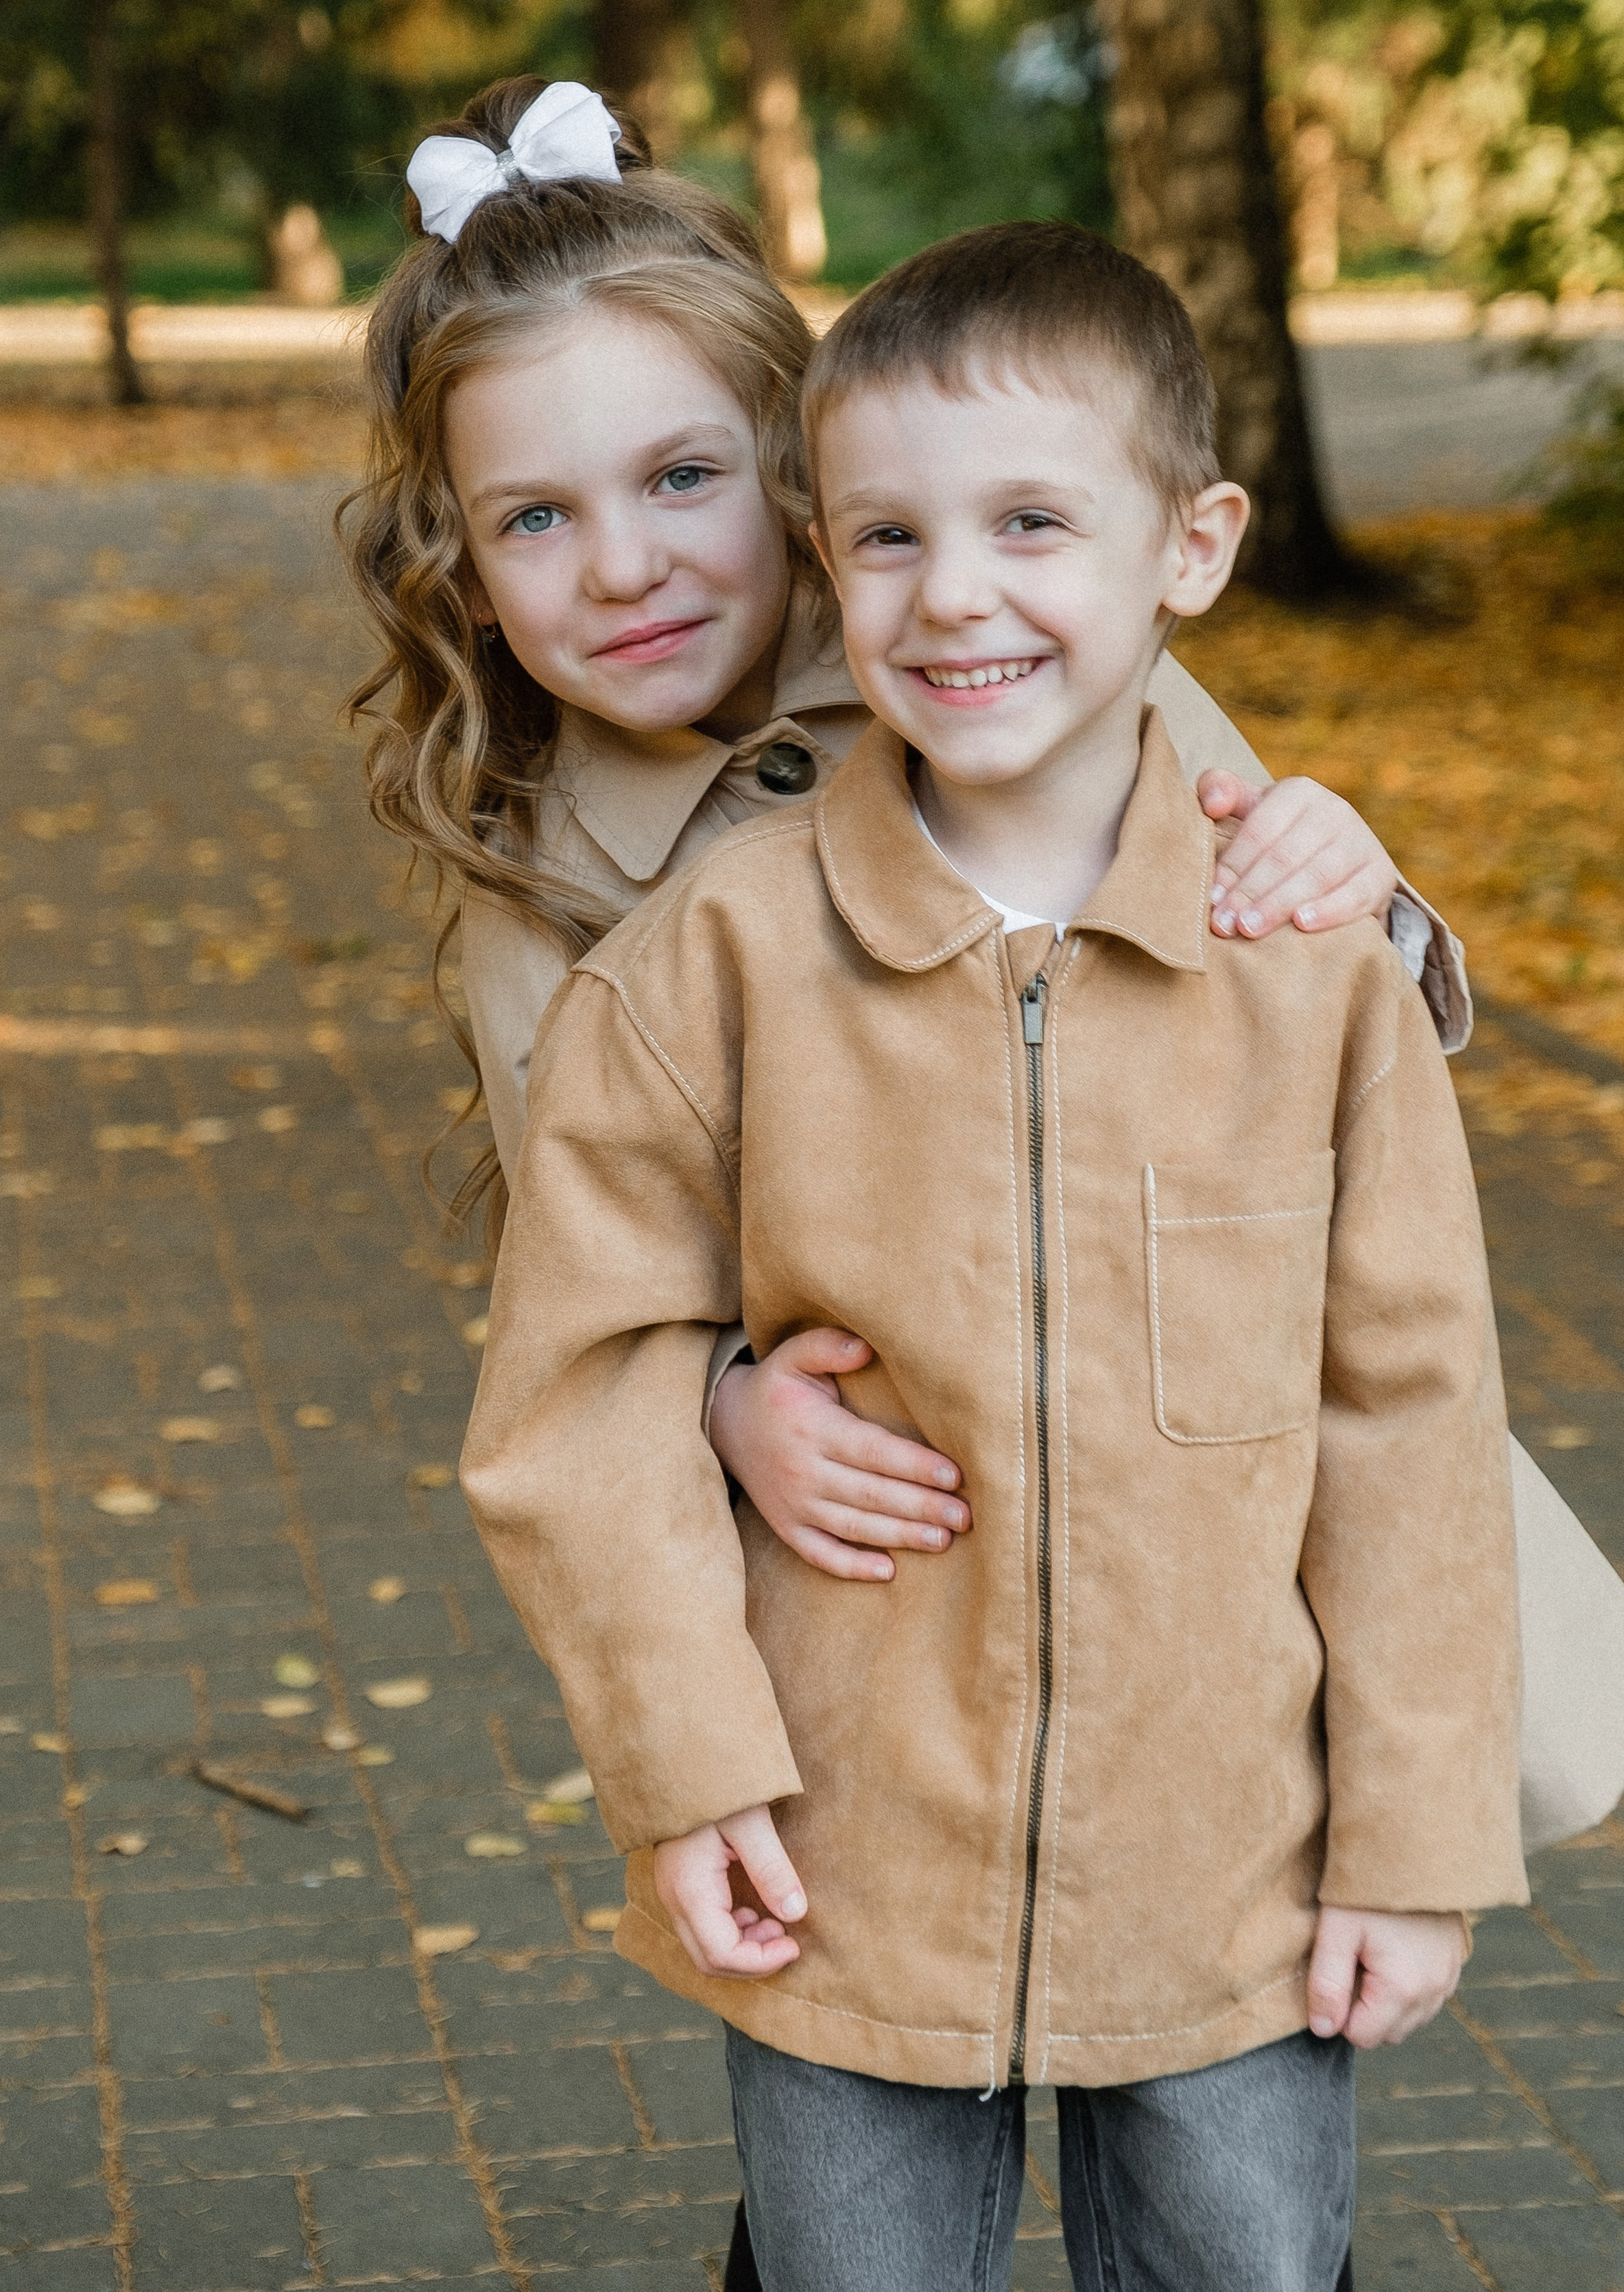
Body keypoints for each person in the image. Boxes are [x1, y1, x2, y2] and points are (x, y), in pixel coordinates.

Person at [460, 222, 1528, 2291]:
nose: (953, 594)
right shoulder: (713, 962)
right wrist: (686, 1775)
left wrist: (1412, 1839)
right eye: (888, 538)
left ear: (1190, 548)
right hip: (843, 1855)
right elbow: (574, 1399)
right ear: (824, 557)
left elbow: (1408, 1423)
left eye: (1030, 523)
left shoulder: (1311, 977)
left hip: (1230, 1865)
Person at [341, 73, 1471, 1599]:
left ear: (795, 473)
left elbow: (1315, 996)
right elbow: (585, 1280)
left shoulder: (995, 653)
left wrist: (1335, 863)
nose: (622, 566)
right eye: (534, 517)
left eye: (681, 477)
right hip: (902, 1528)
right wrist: (722, 1403)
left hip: (1208, 1428)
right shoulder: (541, 878)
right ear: (464, 573)